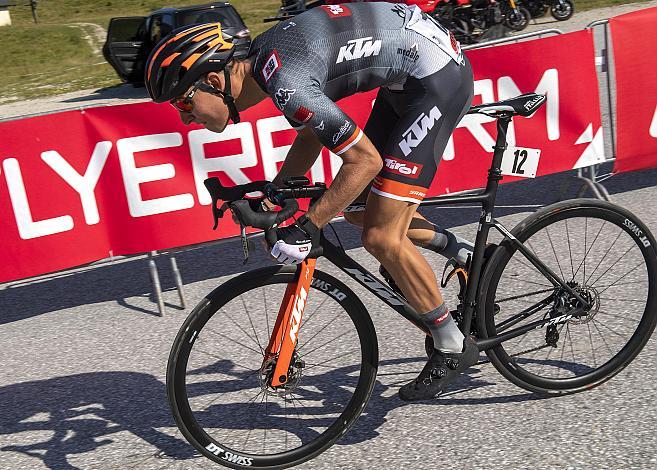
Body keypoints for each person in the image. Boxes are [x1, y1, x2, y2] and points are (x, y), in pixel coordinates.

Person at [145, 1, 477, 401]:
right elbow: (311, 134)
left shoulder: (285, 79)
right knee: (356, 210)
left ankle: (451, 344)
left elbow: (364, 161)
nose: (184, 119)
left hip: (435, 77)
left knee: (381, 237)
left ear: (215, 81)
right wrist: (275, 196)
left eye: (184, 103)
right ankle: (465, 254)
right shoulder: (270, 67)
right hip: (407, 73)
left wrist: (310, 224)